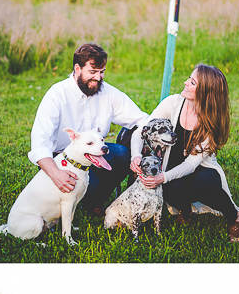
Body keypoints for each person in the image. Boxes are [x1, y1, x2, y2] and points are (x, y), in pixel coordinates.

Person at [29, 43, 151, 214]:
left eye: (102, 72)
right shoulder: (56, 95)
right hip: (63, 159)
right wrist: (56, 173)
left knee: (123, 155)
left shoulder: (108, 93)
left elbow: (142, 119)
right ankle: (83, 198)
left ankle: (95, 202)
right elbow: (40, 143)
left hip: (94, 153)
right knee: (89, 185)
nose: (98, 78)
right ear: (77, 69)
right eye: (92, 72)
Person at [132, 64, 239, 242]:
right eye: (189, 78)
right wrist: (135, 155)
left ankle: (234, 216)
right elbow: (142, 130)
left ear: (205, 93)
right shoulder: (172, 103)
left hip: (201, 168)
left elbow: (191, 164)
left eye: (192, 82)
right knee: (169, 190)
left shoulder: (211, 121)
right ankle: (186, 211)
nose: (185, 82)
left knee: (204, 187)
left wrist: (163, 176)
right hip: (174, 164)